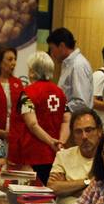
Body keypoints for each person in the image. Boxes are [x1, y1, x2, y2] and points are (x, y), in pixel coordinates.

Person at [9, 51, 66, 183]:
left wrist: (51, 141)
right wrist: (59, 142)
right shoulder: (60, 92)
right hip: (55, 155)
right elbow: (66, 120)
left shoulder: (27, 94)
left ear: (33, 72)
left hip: (32, 155)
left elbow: (32, 124)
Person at [49, 107, 102, 204]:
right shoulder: (63, 156)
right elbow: (53, 187)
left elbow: (103, 194)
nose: (84, 136)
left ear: (99, 131)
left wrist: (68, 188)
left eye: (88, 130)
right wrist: (88, 182)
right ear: (73, 135)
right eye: (78, 132)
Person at [48, 26, 91, 139]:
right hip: (70, 122)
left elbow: (81, 101)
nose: (52, 54)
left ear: (62, 46)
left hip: (77, 124)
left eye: (52, 49)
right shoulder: (67, 64)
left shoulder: (78, 65)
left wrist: (61, 108)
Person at [0, 46, 22, 143]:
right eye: (10, 59)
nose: (14, 63)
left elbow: (24, 108)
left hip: (14, 135)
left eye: (15, 59)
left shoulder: (18, 83)